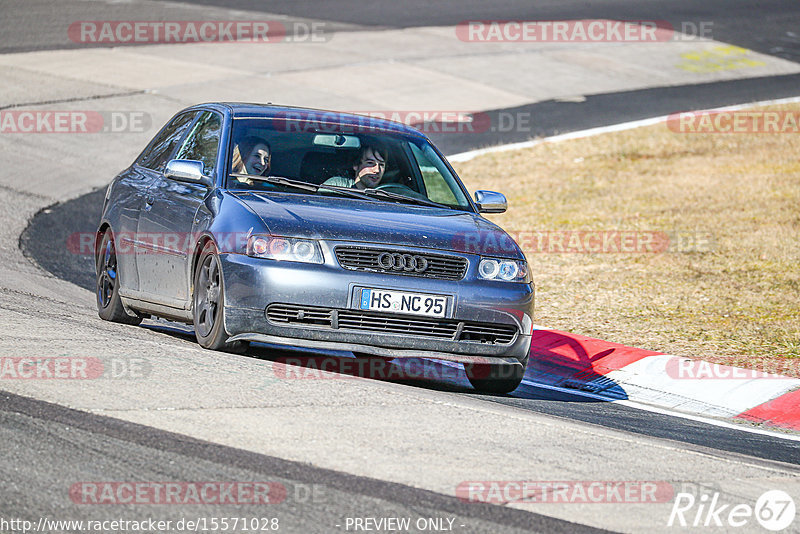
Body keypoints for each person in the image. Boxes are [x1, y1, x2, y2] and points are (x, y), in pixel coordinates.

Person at [323, 142, 387, 190]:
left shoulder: (390, 197)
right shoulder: (336, 186)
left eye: (381, 165)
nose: (377, 170)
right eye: (370, 163)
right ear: (356, 165)